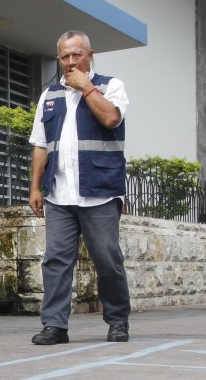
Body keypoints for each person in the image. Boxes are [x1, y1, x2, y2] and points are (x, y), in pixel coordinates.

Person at [28, 30, 131, 344]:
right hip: (60, 193)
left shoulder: (110, 86)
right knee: (56, 261)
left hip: (99, 190)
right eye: (65, 56)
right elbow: (41, 145)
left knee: (107, 259)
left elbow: (111, 119)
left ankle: (117, 321)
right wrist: (35, 187)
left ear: (90, 54)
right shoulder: (49, 96)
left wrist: (86, 88)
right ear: (59, 58)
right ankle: (55, 326)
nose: (71, 61)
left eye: (77, 54)